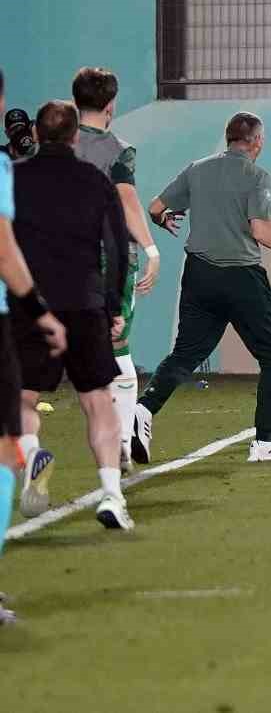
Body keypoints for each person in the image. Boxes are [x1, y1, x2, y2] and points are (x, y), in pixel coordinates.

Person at [135, 112, 271, 463]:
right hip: (242, 277)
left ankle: (144, 409)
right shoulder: (257, 176)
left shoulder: (197, 168)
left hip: (199, 275)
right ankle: (264, 442)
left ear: (229, 138)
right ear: (256, 141)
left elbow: (155, 207)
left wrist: (164, 219)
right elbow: (260, 230)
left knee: (185, 354)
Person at [10, 101, 133, 529]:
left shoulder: (13, 178)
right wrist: (113, 306)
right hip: (83, 303)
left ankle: (31, 456)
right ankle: (112, 496)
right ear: (75, 136)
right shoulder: (95, 180)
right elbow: (116, 247)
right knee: (98, 400)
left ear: (38, 134)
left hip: (30, 305)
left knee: (23, 397)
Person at [0, 68, 69, 626]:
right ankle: (28, 462)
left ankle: (29, 459)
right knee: (13, 423)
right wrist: (41, 309)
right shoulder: (17, 173)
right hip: (14, 305)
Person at [71, 66, 161, 470]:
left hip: (63, 259)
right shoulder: (119, 149)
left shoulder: (54, 147)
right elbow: (126, 200)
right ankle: (122, 439)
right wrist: (151, 247)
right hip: (110, 259)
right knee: (119, 347)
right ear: (111, 104)